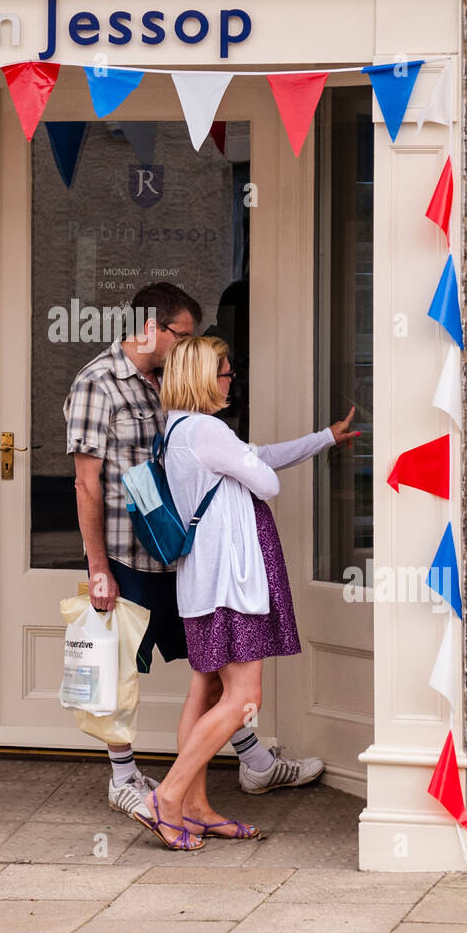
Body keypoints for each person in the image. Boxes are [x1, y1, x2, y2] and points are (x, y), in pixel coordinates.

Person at [65, 287, 328, 822]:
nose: (190, 347)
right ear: (150, 327)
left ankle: (248, 761)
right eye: (182, 335)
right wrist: (97, 568)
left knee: (213, 666)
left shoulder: (171, 386)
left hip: (186, 558)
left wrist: (321, 439)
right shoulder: (98, 384)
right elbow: (86, 484)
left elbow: (230, 460)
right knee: (122, 667)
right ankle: (124, 777)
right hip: (128, 552)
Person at [130, 336, 359, 850]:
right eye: (226, 373)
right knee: (244, 696)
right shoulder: (208, 429)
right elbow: (266, 481)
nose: (231, 382)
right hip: (229, 582)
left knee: (206, 689)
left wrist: (324, 438)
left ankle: (194, 807)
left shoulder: (178, 431)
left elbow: (260, 457)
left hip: (202, 582)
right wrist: (251, 467)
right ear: (203, 379)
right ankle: (166, 798)